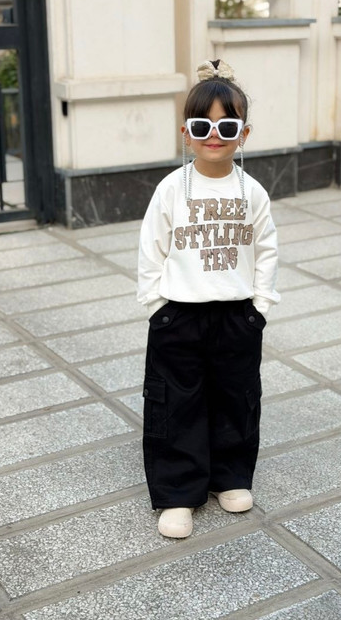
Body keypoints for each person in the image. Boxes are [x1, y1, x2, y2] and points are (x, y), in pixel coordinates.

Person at [137, 58, 280, 538]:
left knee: (236, 398)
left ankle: (229, 476)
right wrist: (156, 307)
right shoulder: (171, 189)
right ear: (186, 132)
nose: (213, 135)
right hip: (179, 315)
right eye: (202, 125)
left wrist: (260, 307)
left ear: (244, 133)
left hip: (237, 315)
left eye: (227, 126)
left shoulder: (252, 192)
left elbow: (267, 249)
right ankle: (179, 492)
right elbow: (152, 248)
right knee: (176, 403)